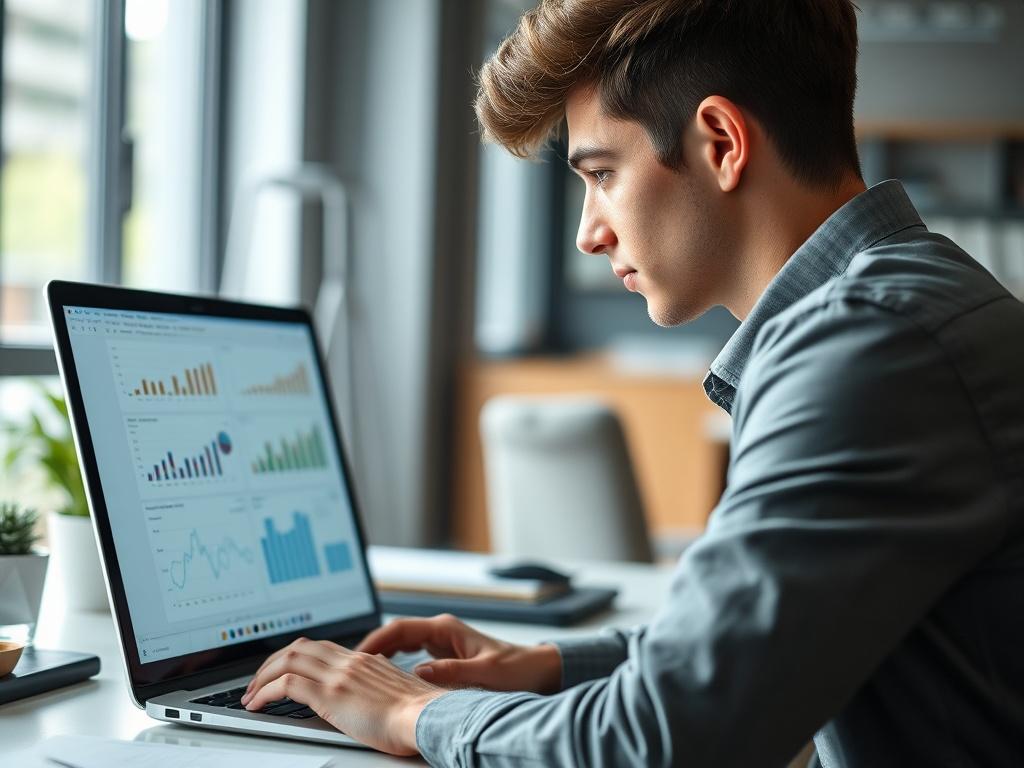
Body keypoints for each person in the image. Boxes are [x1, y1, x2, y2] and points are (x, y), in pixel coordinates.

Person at [240, 1, 1024, 764]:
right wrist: (548, 665)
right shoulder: (908, 301)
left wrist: (415, 710)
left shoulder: (868, 345)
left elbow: (669, 737)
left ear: (720, 141)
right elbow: (759, 643)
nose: (588, 231)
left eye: (603, 173)